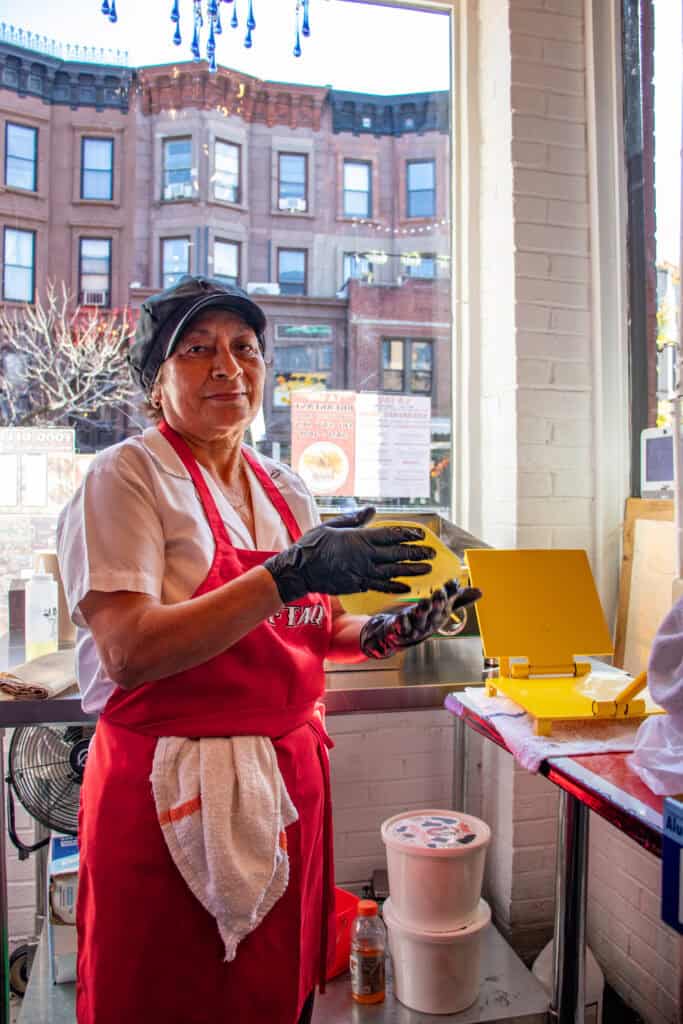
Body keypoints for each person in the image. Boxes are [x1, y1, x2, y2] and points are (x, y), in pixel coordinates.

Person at [57, 274, 481, 1024]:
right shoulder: (125, 478)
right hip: (166, 787)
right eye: (196, 350)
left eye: (244, 348)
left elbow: (307, 632)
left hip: (287, 782)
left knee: (271, 991)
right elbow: (127, 652)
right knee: (157, 990)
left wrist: (388, 633)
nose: (227, 366)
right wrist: (288, 572)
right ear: (156, 382)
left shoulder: (285, 488)